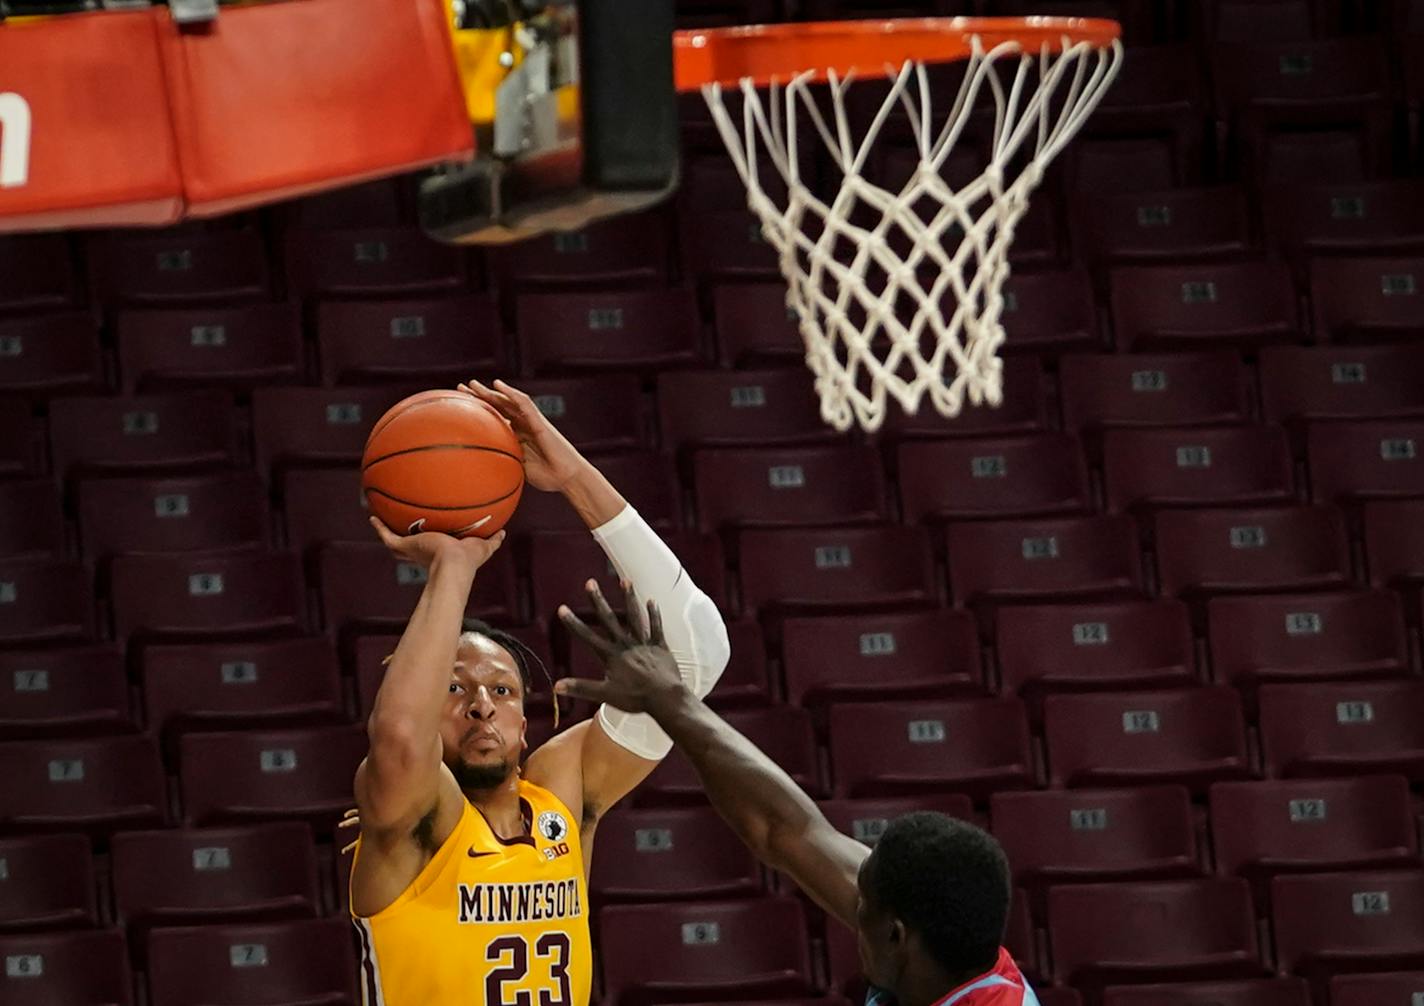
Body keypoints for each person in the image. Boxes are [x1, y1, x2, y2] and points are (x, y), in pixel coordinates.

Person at [347, 378, 730, 1006]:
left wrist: (573, 476)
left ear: (527, 723)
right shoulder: (414, 820)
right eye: (453, 687)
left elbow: (698, 652)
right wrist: (454, 567)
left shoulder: (561, 792)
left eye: (502, 689)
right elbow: (398, 737)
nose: (481, 704)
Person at [556, 585, 1035, 1006]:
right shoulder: (942, 950)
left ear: (895, 935)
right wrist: (668, 698)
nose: (852, 902)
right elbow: (786, 830)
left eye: (861, 905)